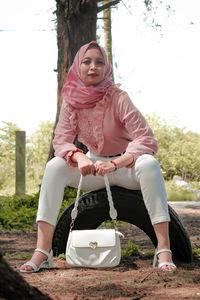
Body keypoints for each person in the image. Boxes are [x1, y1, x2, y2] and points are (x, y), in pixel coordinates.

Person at [20, 41, 176, 273]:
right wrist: (80, 158)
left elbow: (145, 139)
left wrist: (116, 163)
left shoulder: (118, 97)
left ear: (106, 68)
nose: (93, 67)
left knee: (149, 163)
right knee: (54, 166)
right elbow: (61, 141)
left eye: (99, 62)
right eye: (87, 61)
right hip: (93, 168)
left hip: (125, 167)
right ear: (78, 66)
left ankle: (164, 249)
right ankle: (43, 251)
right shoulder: (71, 101)